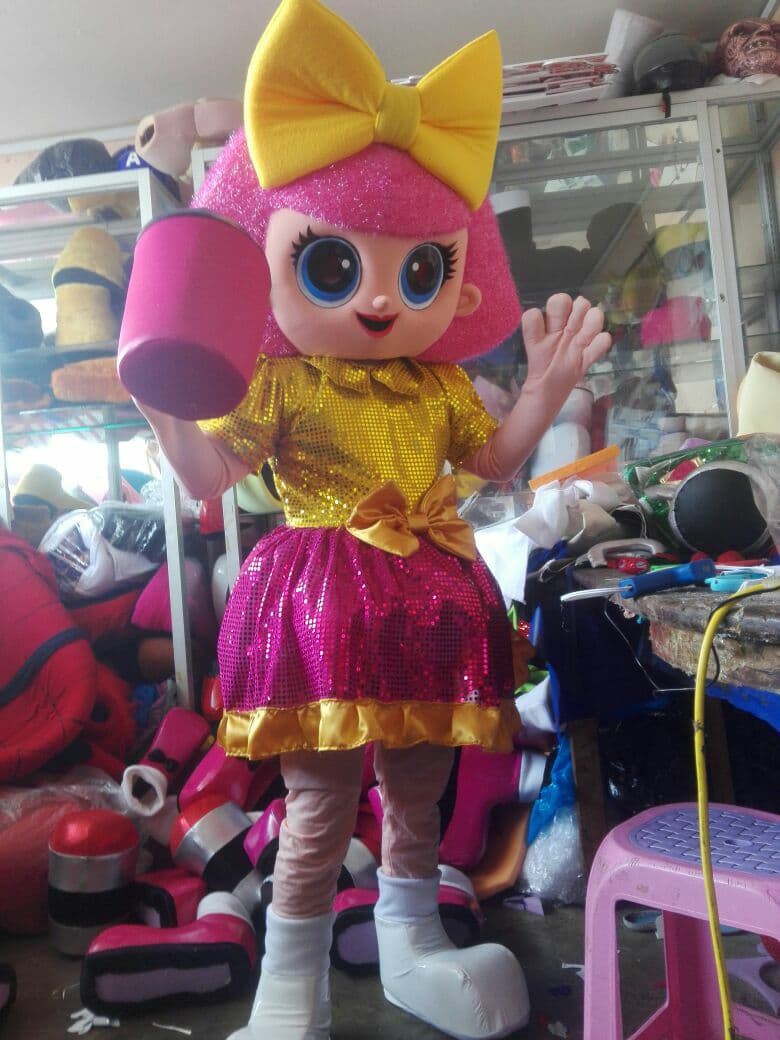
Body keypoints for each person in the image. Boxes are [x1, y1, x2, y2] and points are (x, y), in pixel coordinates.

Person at [137, 1, 611, 1037]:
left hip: (428, 604)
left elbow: (492, 462)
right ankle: (288, 987)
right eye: (333, 265)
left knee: (419, 794)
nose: (385, 301)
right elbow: (212, 470)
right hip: (324, 606)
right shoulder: (285, 380)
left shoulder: (433, 383)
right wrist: (166, 411)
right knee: (315, 806)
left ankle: (412, 941)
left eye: (423, 269)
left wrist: (542, 391)